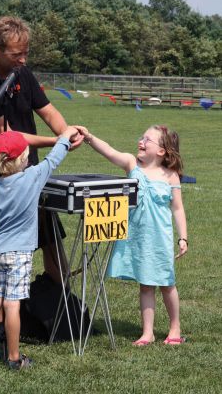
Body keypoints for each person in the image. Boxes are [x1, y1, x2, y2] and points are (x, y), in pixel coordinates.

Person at [0, 16, 83, 318]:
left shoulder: (22, 73)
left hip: (31, 178)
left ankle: (60, 310)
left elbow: (47, 109)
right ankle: (0, 324)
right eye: (17, 53)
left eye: (26, 52)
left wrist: (65, 131)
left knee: (51, 241)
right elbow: (8, 139)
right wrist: (58, 141)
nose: (23, 59)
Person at [77, 125, 188, 346]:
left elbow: (177, 208)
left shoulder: (170, 175)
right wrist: (89, 137)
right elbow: (108, 150)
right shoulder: (131, 164)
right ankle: (148, 333)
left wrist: (183, 237)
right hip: (138, 238)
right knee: (146, 284)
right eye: (142, 137)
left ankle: (174, 327)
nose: (141, 141)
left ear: (162, 151)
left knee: (167, 284)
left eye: (148, 139)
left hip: (160, 240)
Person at [0, 127, 78, 369]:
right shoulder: (32, 177)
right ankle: (14, 357)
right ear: (24, 158)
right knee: (12, 304)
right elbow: (53, 158)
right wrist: (66, 135)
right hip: (19, 253)